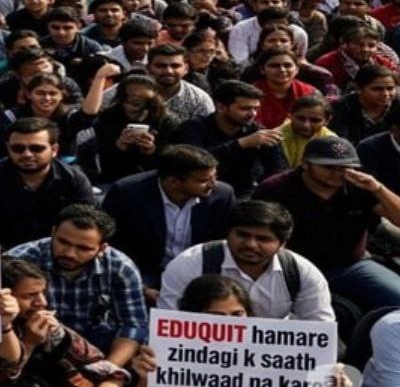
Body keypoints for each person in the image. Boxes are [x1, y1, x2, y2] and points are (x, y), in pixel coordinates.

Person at [254, 135, 400, 309]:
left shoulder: (360, 186)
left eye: (345, 167)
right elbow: (256, 232)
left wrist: (378, 189)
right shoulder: (276, 188)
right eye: (329, 167)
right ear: (306, 164)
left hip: (349, 267)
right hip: (290, 269)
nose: (338, 174)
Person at [0, 257, 130, 387]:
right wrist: (29, 343)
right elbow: (4, 379)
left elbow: (103, 368)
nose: (41, 302)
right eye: (29, 295)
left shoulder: (49, 328)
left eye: (43, 293)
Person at [8, 204, 147, 365]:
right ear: (53, 232)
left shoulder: (120, 267)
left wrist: (109, 371)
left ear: (101, 248)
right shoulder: (20, 261)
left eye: (83, 248)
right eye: (63, 242)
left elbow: (132, 326)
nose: (69, 253)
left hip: (99, 346)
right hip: (35, 347)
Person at [130, 276, 276, 387]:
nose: (229, 324)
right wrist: (147, 381)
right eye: (216, 316)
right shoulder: (170, 349)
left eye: (237, 315)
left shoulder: (263, 353)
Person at [158, 200, 333, 321]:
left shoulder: (301, 272)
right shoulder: (190, 264)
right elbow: (169, 322)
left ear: (282, 244)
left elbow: (320, 328)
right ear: (228, 233)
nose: (251, 245)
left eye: (263, 239)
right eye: (242, 235)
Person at [102, 146, 234, 294]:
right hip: (144, 271)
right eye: (203, 180)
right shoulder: (127, 193)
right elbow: (112, 244)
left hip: (198, 271)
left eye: (214, 177)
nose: (213, 185)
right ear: (173, 182)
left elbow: (222, 241)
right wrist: (141, 288)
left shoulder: (221, 196)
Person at [0, 117, 95, 249]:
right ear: (8, 148)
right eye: (18, 148)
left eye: (36, 148)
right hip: (3, 257)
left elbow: (83, 226)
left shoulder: (74, 181)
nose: (27, 154)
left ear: (54, 150)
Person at [176, 80, 288, 196]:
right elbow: (193, 163)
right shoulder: (193, 128)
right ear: (221, 107)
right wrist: (240, 144)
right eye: (245, 109)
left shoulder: (257, 132)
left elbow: (278, 170)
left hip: (246, 193)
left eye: (256, 109)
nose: (252, 114)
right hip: (203, 192)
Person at [92, 74, 182, 183]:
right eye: (132, 96)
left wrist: (152, 150)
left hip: (155, 176)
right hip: (116, 176)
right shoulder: (108, 118)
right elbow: (101, 155)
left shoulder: (167, 120)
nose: (136, 103)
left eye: (143, 99)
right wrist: (119, 145)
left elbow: (173, 157)